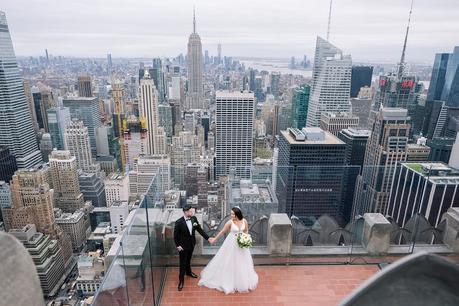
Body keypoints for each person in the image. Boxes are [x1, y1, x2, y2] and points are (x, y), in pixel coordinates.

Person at [198, 207, 258, 294]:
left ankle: (241, 281)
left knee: (242, 262)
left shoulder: (244, 221)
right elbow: (222, 232)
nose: (231, 215)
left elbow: (246, 231)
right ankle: (229, 281)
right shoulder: (230, 222)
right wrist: (214, 239)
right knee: (230, 261)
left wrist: (246, 239)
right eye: (231, 213)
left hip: (241, 245)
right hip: (231, 244)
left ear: (238, 214)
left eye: (233, 214)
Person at [173, 205, 210, 291]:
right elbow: (175, 236)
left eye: (191, 211)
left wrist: (208, 238)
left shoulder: (194, 219)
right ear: (185, 212)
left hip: (191, 244)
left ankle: (189, 272)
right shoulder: (179, 222)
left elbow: (200, 230)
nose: (191, 212)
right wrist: (178, 246)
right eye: (190, 211)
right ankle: (181, 281)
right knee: (182, 264)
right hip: (182, 247)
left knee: (188, 260)